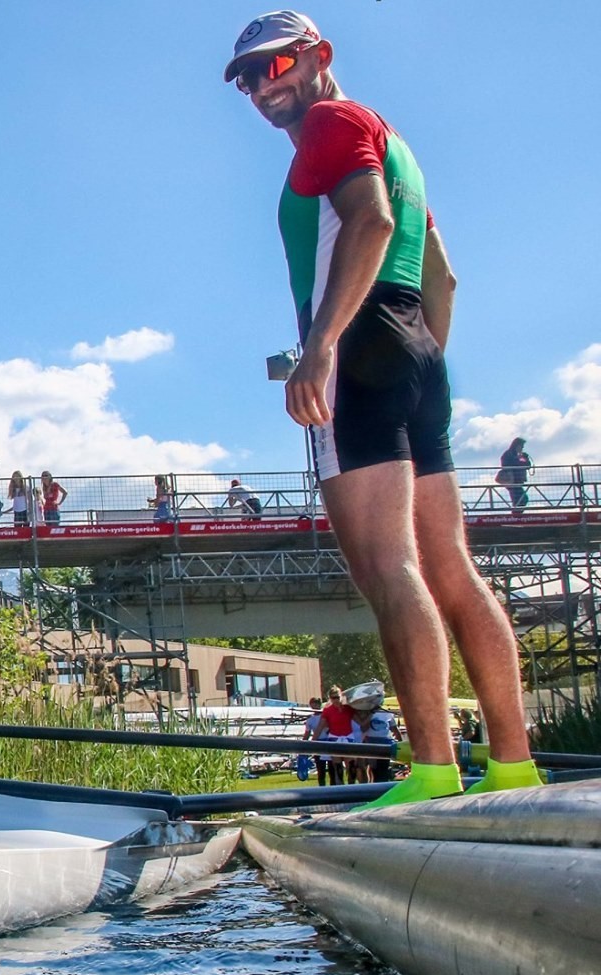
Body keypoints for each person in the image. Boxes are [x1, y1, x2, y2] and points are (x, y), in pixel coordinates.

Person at [225, 10, 535, 803]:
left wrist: (325, 346)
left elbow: (371, 220)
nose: (265, 86)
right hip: (416, 347)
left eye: (278, 65)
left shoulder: (331, 123)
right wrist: (417, 360)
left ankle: (431, 771)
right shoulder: (398, 146)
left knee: (388, 568)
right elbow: (445, 278)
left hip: (358, 347)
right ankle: (513, 766)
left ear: (319, 57)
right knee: (450, 568)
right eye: (250, 78)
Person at [497, 437, 531, 511]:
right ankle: (516, 516)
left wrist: (525, 459)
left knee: (521, 500)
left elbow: (527, 465)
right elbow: (516, 464)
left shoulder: (514, 455)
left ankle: (517, 515)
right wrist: (522, 460)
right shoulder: (509, 454)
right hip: (512, 481)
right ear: (517, 445)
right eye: (521, 446)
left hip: (517, 481)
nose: (522, 448)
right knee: (521, 499)